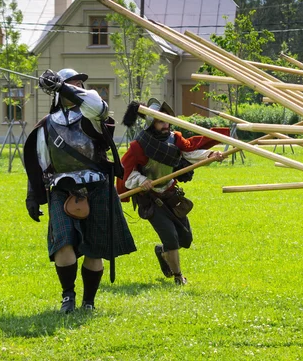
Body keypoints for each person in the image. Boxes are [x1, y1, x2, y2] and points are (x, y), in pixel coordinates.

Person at [24, 68, 136, 313]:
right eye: (72, 83)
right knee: (63, 245)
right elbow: (39, 163)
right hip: (61, 188)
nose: (78, 87)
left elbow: (97, 104)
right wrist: (32, 195)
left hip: (97, 187)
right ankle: (68, 296)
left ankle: (89, 301)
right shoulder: (46, 125)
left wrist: (63, 86)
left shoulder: (92, 114)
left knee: (94, 249)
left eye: (79, 84)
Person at [116, 98, 227, 285]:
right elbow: (126, 172)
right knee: (171, 237)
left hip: (170, 194)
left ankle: (162, 252)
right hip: (150, 199)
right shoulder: (138, 145)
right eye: (160, 121)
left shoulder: (175, 138)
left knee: (185, 239)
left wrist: (210, 155)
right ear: (151, 122)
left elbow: (189, 153)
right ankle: (178, 277)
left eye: (167, 120)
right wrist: (142, 181)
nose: (165, 124)